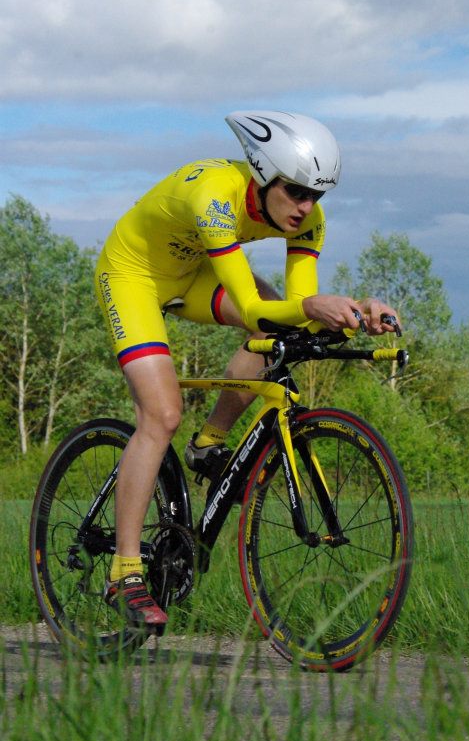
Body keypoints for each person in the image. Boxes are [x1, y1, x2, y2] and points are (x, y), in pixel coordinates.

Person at [94, 110, 401, 629]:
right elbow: (256, 310)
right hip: (132, 276)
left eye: (317, 196)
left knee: (287, 328)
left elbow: (299, 310)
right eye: (297, 192)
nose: (306, 208)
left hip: (191, 276)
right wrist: (313, 308)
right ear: (264, 175)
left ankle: (210, 442)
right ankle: (124, 573)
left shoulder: (308, 219)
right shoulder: (214, 194)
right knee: (162, 414)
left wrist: (357, 315)